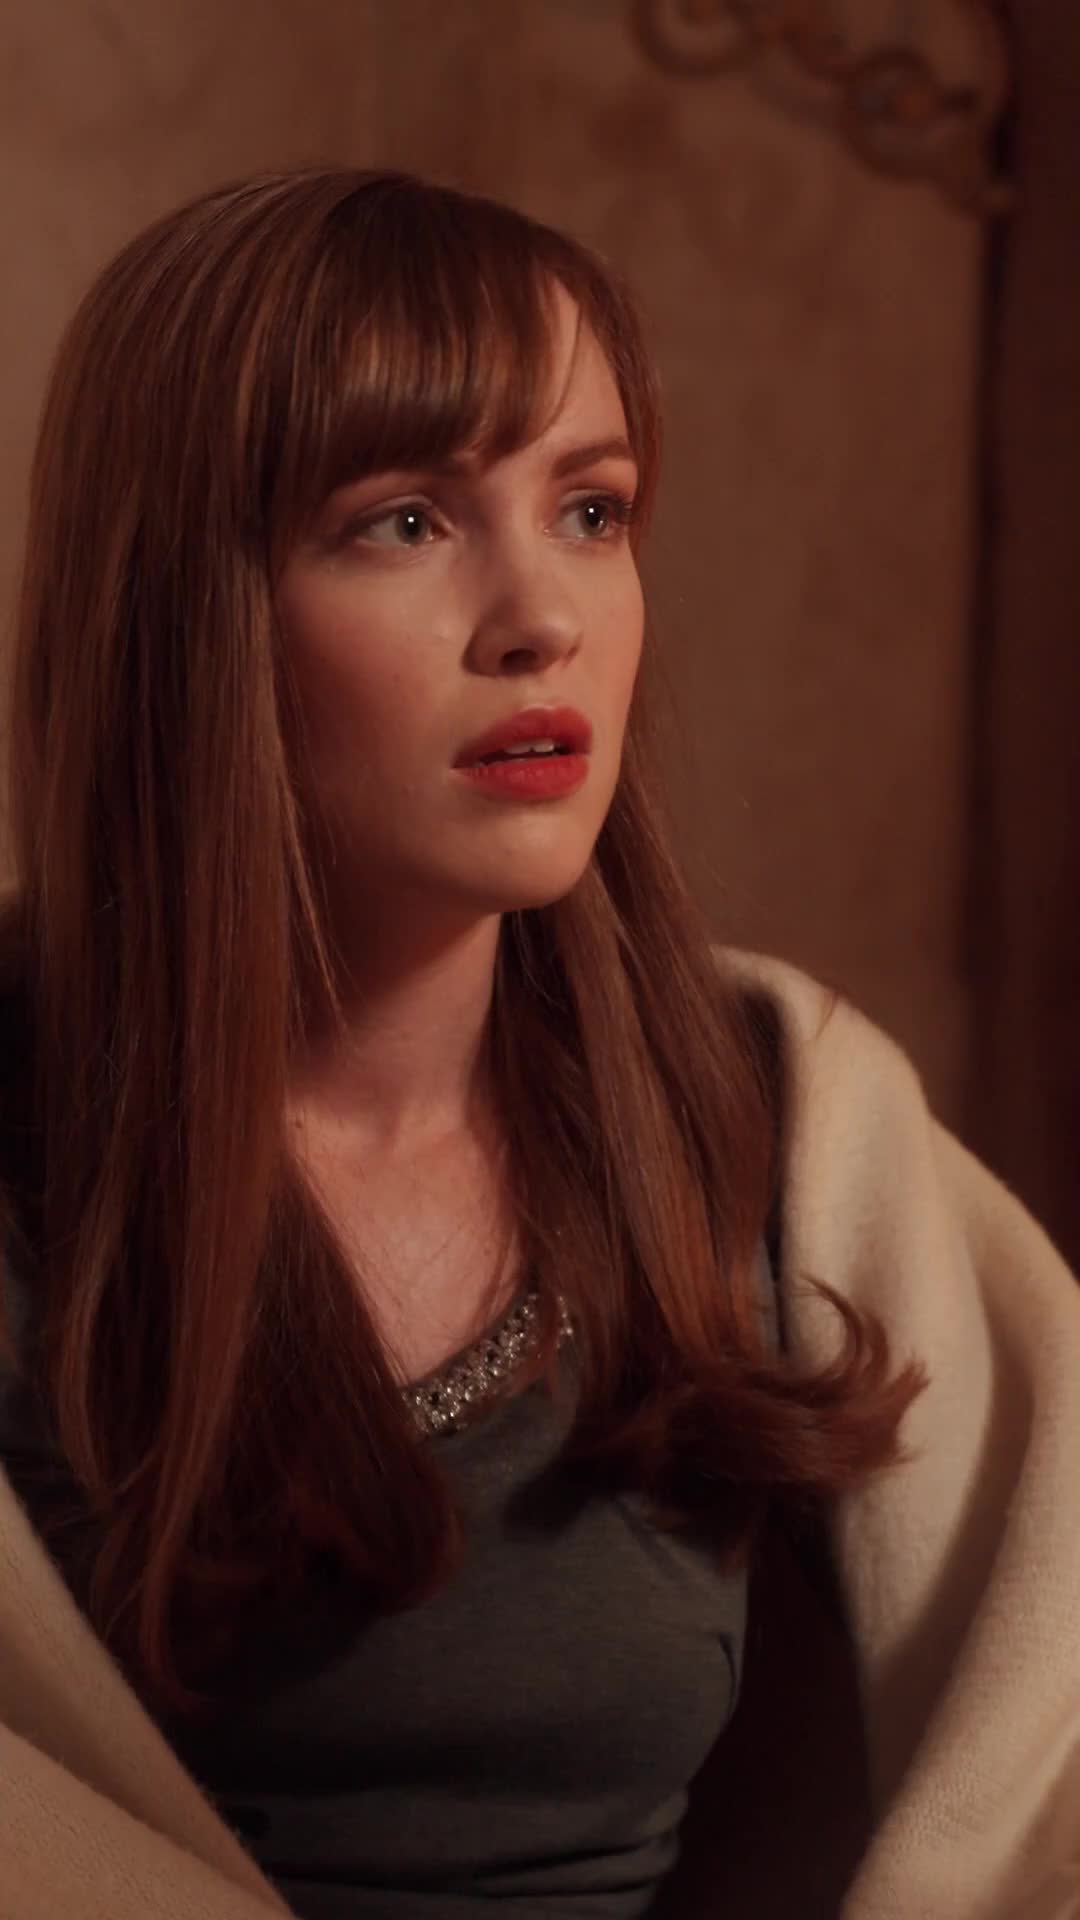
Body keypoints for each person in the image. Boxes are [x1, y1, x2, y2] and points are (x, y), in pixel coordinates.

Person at [0, 167, 1078, 1920]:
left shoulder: (774, 1111)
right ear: (187, 604)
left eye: (591, 509)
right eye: (405, 522)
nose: (544, 617)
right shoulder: (27, 1129)